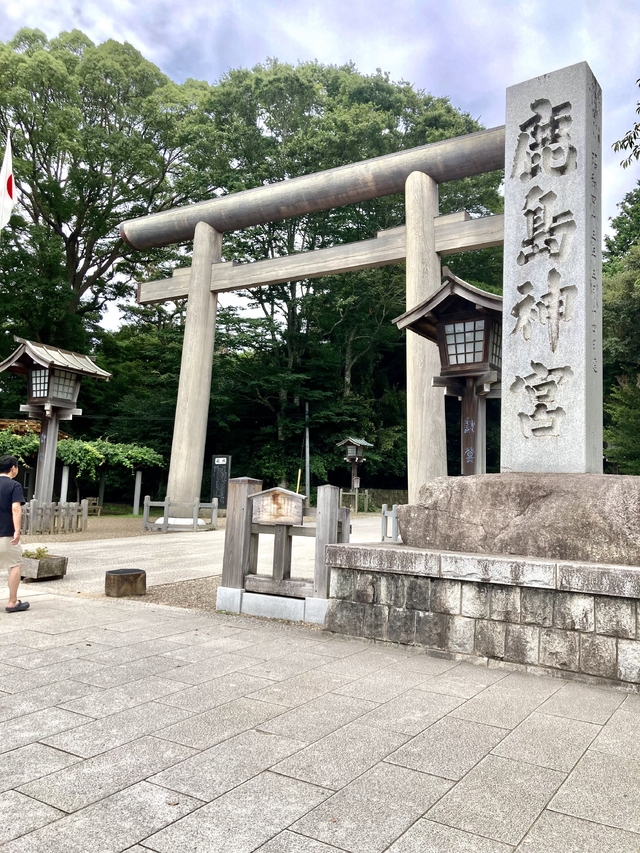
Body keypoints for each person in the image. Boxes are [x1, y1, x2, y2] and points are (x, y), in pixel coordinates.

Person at [0, 455, 29, 613]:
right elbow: (16, 508)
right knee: (15, 564)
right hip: (6, 533)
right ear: (13, 468)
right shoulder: (14, 485)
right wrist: (17, 530)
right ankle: (12, 602)